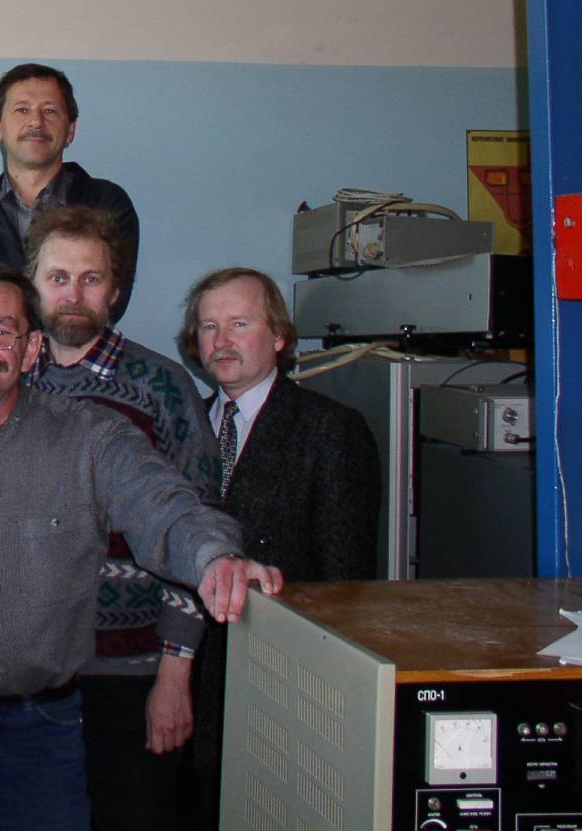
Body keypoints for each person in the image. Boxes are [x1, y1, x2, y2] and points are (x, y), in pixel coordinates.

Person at [0, 263, 281, 831]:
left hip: (43, 733)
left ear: (32, 348)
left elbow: (165, 506)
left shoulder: (93, 438)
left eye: (1, 331)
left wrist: (215, 557)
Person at [24, 206, 219, 828]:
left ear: (115, 290)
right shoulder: (8, 384)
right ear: (33, 284)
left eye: (91, 279)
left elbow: (198, 524)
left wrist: (175, 673)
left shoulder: (162, 387)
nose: (73, 294)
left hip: (135, 676)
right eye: (58, 278)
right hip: (31, 676)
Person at [179, 266, 381, 828]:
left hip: (281, 682)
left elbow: (345, 586)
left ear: (279, 337)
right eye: (209, 327)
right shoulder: (183, 426)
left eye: (239, 324)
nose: (221, 341)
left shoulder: (331, 431)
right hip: (189, 679)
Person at [0, 63, 140, 319]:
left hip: (78, 346)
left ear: (70, 130)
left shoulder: (108, 204)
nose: (36, 122)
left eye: (50, 111)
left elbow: (111, 300)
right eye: (22, 110)